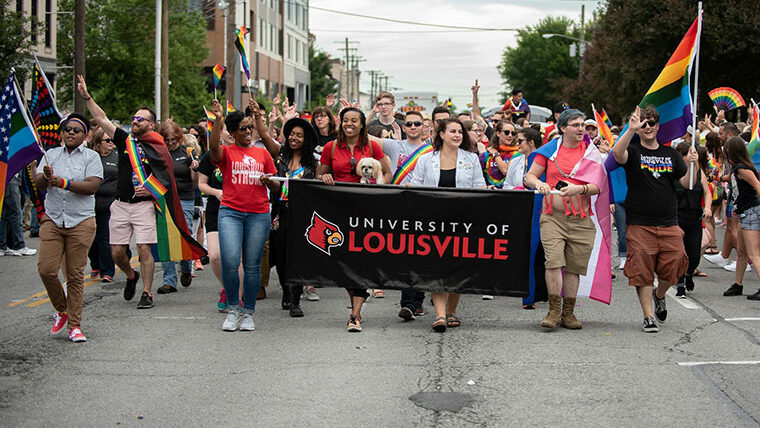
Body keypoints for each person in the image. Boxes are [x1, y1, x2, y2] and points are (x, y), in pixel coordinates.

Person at [77, 75, 160, 310]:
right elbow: (101, 118)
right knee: (116, 253)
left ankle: (146, 293)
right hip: (121, 204)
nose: (135, 121)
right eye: (134, 118)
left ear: (151, 125)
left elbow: (167, 175)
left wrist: (152, 190)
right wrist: (87, 97)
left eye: (141, 119)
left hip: (143, 205)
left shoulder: (157, 146)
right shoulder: (125, 141)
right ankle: (130, 275)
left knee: (144, 248)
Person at [612, 105, 689, 333]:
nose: (647, 127)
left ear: (658, 126)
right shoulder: (634, 151)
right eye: (643, 124)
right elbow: (618, 154)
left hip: (669, 222)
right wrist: (630, 130)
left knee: (676, 264)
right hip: (640, 222)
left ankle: (660, 294)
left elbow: (686, 183)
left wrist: (694, 163)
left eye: (651, 123)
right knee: (642, 270)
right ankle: (648, 316)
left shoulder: (671, 154)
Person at [524, 109, 603, 331]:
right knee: (553, 262)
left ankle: (568, 313)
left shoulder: (590, 152)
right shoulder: (549, 150)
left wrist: (579, 188)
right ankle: (553, 310)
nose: (581, 129)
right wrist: (538, 184)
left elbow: (598, 187)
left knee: (574, 268)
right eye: (576, 125)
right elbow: (530, 176)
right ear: (562, 128)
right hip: (552, 217)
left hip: (581, 219)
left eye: (582, 125)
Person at [316, 107, 391, 332]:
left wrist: (378, 188)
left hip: (365, 211)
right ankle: (357, 297)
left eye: (354, 121)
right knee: (343, 262)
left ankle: (355, 314)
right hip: (338, 209)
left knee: (360, 259)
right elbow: (319, 173)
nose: (350, 124)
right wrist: (324, 176)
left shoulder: (372, 146)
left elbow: (387, 172)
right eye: (346, 120)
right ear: (340, 123)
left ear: (361, 125)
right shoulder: (330, 147)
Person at [408, 117, 486, 332]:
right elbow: (416, 189)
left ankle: (451, 311)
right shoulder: (426, 160)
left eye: (460, 132)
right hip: (433, 223)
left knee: (457, 269)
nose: (457, 135)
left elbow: (481, 188)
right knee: (437, 268)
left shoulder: (471, 159)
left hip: (462, 223)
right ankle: (440, 315)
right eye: (452, 131)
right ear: (441, 134)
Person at [208, 99, 278, 332]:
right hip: (231, 212)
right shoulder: (227, 152)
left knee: (252, 265)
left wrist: (270, 181)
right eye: (243, 128)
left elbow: (277, 186)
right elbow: (213, 150)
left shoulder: (262, 153)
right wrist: (217, 121)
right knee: (229, 261)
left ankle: (248, 312)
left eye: (250, 127)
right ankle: (232, 309)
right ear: (233, 132)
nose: (248, 131)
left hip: (259, 213)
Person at [34, 113, 103, 342]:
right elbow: (39, 184)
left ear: (85, 135)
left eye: (76, 129)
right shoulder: (50, 154)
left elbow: (92, 186)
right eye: (67, 129)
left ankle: (75, 326)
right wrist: (45, 177)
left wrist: (63, 183)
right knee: (46, 269)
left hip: (81, 221)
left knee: (74, 276)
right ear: (61, 133)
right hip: (53, 219)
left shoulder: (91, 157)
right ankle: (62, 310)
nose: (71, 132)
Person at [258, 115, 319, 317]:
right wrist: (259, 117)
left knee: (297, 257)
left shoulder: (314, 164)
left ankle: (295, 300)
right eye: (292, 134)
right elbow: (265, 136)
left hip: (303, 216)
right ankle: (286, 291)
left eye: (299, 135)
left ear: (306, 139)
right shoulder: (280, 157)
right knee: (282, 257)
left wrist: (325, 178)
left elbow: (320, 186)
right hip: (280, 214)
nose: (294, 138)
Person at [374, 110, 431, 319]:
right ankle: (408, 303)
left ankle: (418, 301)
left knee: (423, 255)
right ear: (403, 127)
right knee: (407, 255)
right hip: (399, 207)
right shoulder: (394, 146)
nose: (414, 127)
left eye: (418, 124)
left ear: (424, 127)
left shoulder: (432, 150)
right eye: (410, 124)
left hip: (424, 207)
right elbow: (364, 135)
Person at [156, 121, 199, 294]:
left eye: (174, 139)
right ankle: (169, 280)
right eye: (167, 140)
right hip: (164, 200)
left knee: (185, 235)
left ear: (179, 138)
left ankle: (186, 268)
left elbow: (194, 181)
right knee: (166, 238)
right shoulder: (158, 154)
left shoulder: (188, 152)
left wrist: (194, 169)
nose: (171, 143)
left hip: (185, 199)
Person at [723, 137, 760, 300]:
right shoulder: (739, 168)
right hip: (745, 212)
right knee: (742, 252)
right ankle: (738, 284)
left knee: (754, 254)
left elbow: (757, 185)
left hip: (751, 212)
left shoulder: (741, 169)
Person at [673, 143, 712, 298]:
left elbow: (707, 193)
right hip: (677, 217)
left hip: (694, 218)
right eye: (685, 154)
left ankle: (689, 273)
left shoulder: (699, 173)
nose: (688, 157)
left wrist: (707, 207)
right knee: (679, 254)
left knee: (694, 256)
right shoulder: (674, 173)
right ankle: (680, 284)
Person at [87, 128, 119, 282]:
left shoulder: (117, 156)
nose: (111, 143)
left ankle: (108, 271)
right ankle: (95, 265)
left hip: (110, 203)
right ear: (98, 143)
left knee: (105, 238)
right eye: (107, 140)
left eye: (112, 140)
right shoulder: (91, 157)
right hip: (90, 203)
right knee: (91, 239)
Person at [0, 173, 37, 256]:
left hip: (7, 178)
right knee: (16, 213)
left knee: (4, 214)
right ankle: (19, 245)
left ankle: (2, 245)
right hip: (11, 178)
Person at [480, 120, 518, 188]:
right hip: (491, 194)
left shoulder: (517, 154)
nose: (510, 135)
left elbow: (505, 171)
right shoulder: (486, 155)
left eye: (513, 133)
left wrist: (496, 154)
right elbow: (478, 178)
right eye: (506, 132)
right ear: (498, 133)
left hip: (511, 194)